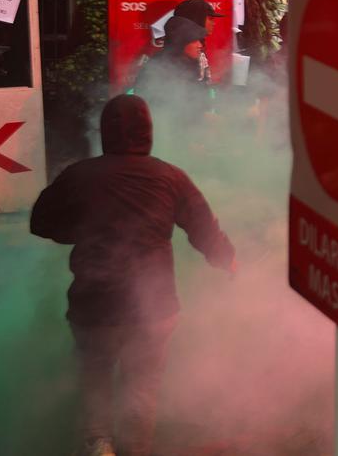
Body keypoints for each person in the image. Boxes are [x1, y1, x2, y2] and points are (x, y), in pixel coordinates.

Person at [29, 94, 236, 456]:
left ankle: (99, 443)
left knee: (95, 376)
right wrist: (227, 260)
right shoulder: (170, 177)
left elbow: (41, 222)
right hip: (154, 309)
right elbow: (204, 228)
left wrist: (82, 232)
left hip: (93, 305)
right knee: (142, 386)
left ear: (105, 132)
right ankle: (135, 449)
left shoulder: (79, 175)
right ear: (147, 131)